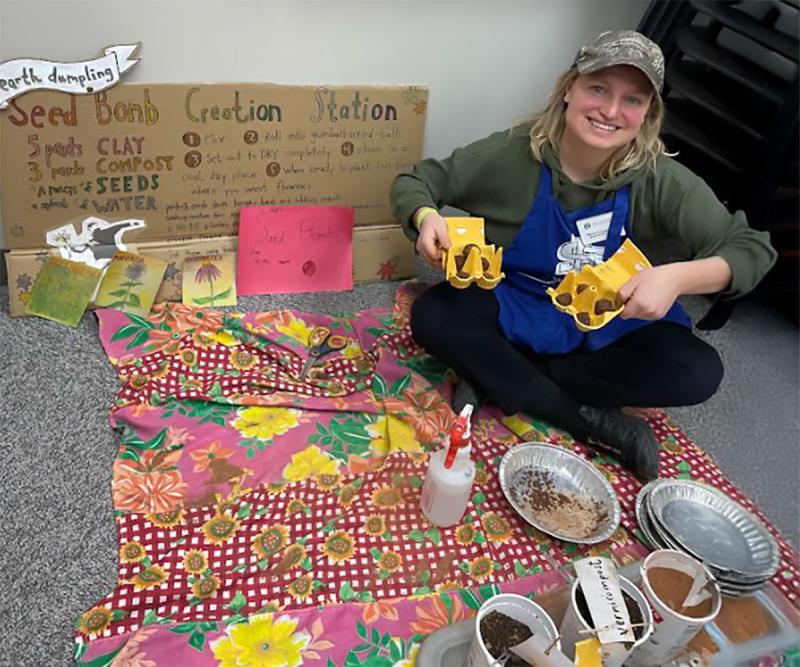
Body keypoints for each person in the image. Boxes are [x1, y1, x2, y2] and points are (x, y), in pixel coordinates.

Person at [390, 30, 776, 480]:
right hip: (515, 302)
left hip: (608, 316)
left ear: (648, 113)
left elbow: (752, 249)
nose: (611, 111)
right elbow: (416, 182)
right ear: (568, 88)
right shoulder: (513, 154)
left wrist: (676, 279)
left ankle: (496, 374)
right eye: (598, 89)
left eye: (632, 100)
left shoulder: (660, 179)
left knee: (697, 372)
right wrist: (425, 218)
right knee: (434, 316)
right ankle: (594, 423)